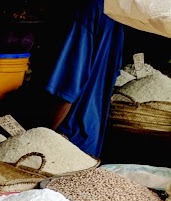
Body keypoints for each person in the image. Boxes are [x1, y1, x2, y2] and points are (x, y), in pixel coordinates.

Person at [43, 0, 127, 158]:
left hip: (67, 134)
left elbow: (68, 87)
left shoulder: (88, 9)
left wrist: (43, 136)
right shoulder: (115, 10)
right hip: (91, 133)